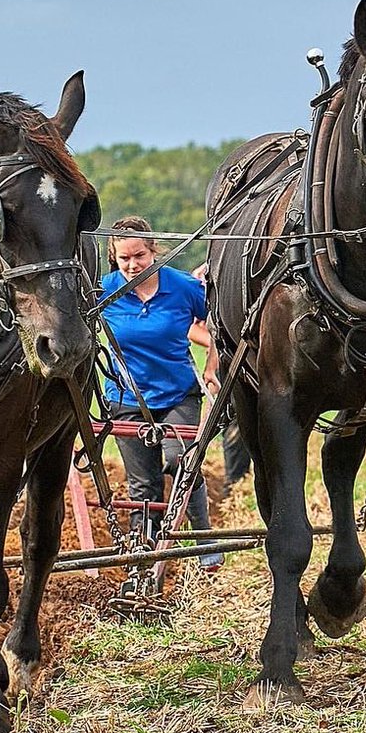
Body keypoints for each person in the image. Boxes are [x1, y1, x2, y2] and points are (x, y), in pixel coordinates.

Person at [102, 217, 223, 571]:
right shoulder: (104, 291)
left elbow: (218, 323)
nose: (132, 265)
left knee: (180, 461)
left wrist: (212, 366)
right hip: (126, 399)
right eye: (123, 258)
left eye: (138, 255)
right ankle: (143, 554)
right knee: (143, 485)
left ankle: (203, 538)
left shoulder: (182, 287)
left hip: (177, 395)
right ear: (114, 256)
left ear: (153, 250)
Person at [191, 262, 251, 489]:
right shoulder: (203, 276)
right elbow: (191, 327)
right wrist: (220, 342)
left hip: (256, 355)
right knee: (233, 421)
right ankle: (233, 483)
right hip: (224, 359)